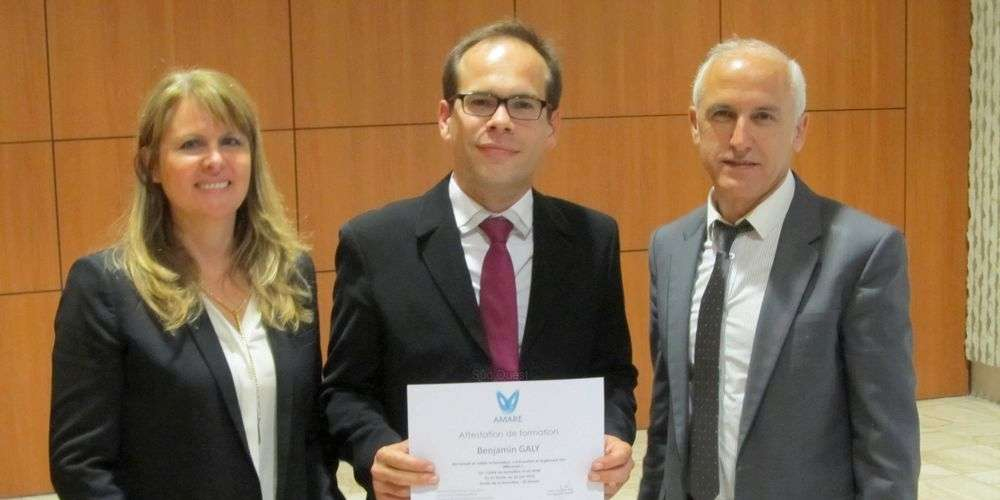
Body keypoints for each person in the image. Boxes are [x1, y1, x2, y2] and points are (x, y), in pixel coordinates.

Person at [322, 19, 638, 499]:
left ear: (552, 126)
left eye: (524, 104)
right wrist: (375, 452)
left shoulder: (592, 240)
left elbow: (613, 374)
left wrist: (614, 435)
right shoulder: (374, 243)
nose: (501, 120)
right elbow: (345, 392)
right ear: (446, 117)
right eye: (481, 101)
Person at [639, 38, 919, 500]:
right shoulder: (670, 247)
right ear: (694, 125)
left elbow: (886, 440)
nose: (739, 139)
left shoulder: (862, 252)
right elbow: (667, 417)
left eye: (764, 117)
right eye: (722, 114)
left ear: (800, 130)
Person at [50, 69, 343, 500]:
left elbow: (309, 438)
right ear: (151, 164)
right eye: (191, 145)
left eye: (232, 141)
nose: (215, 160)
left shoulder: (288, 274)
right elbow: (80, 466)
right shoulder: (105, 288)